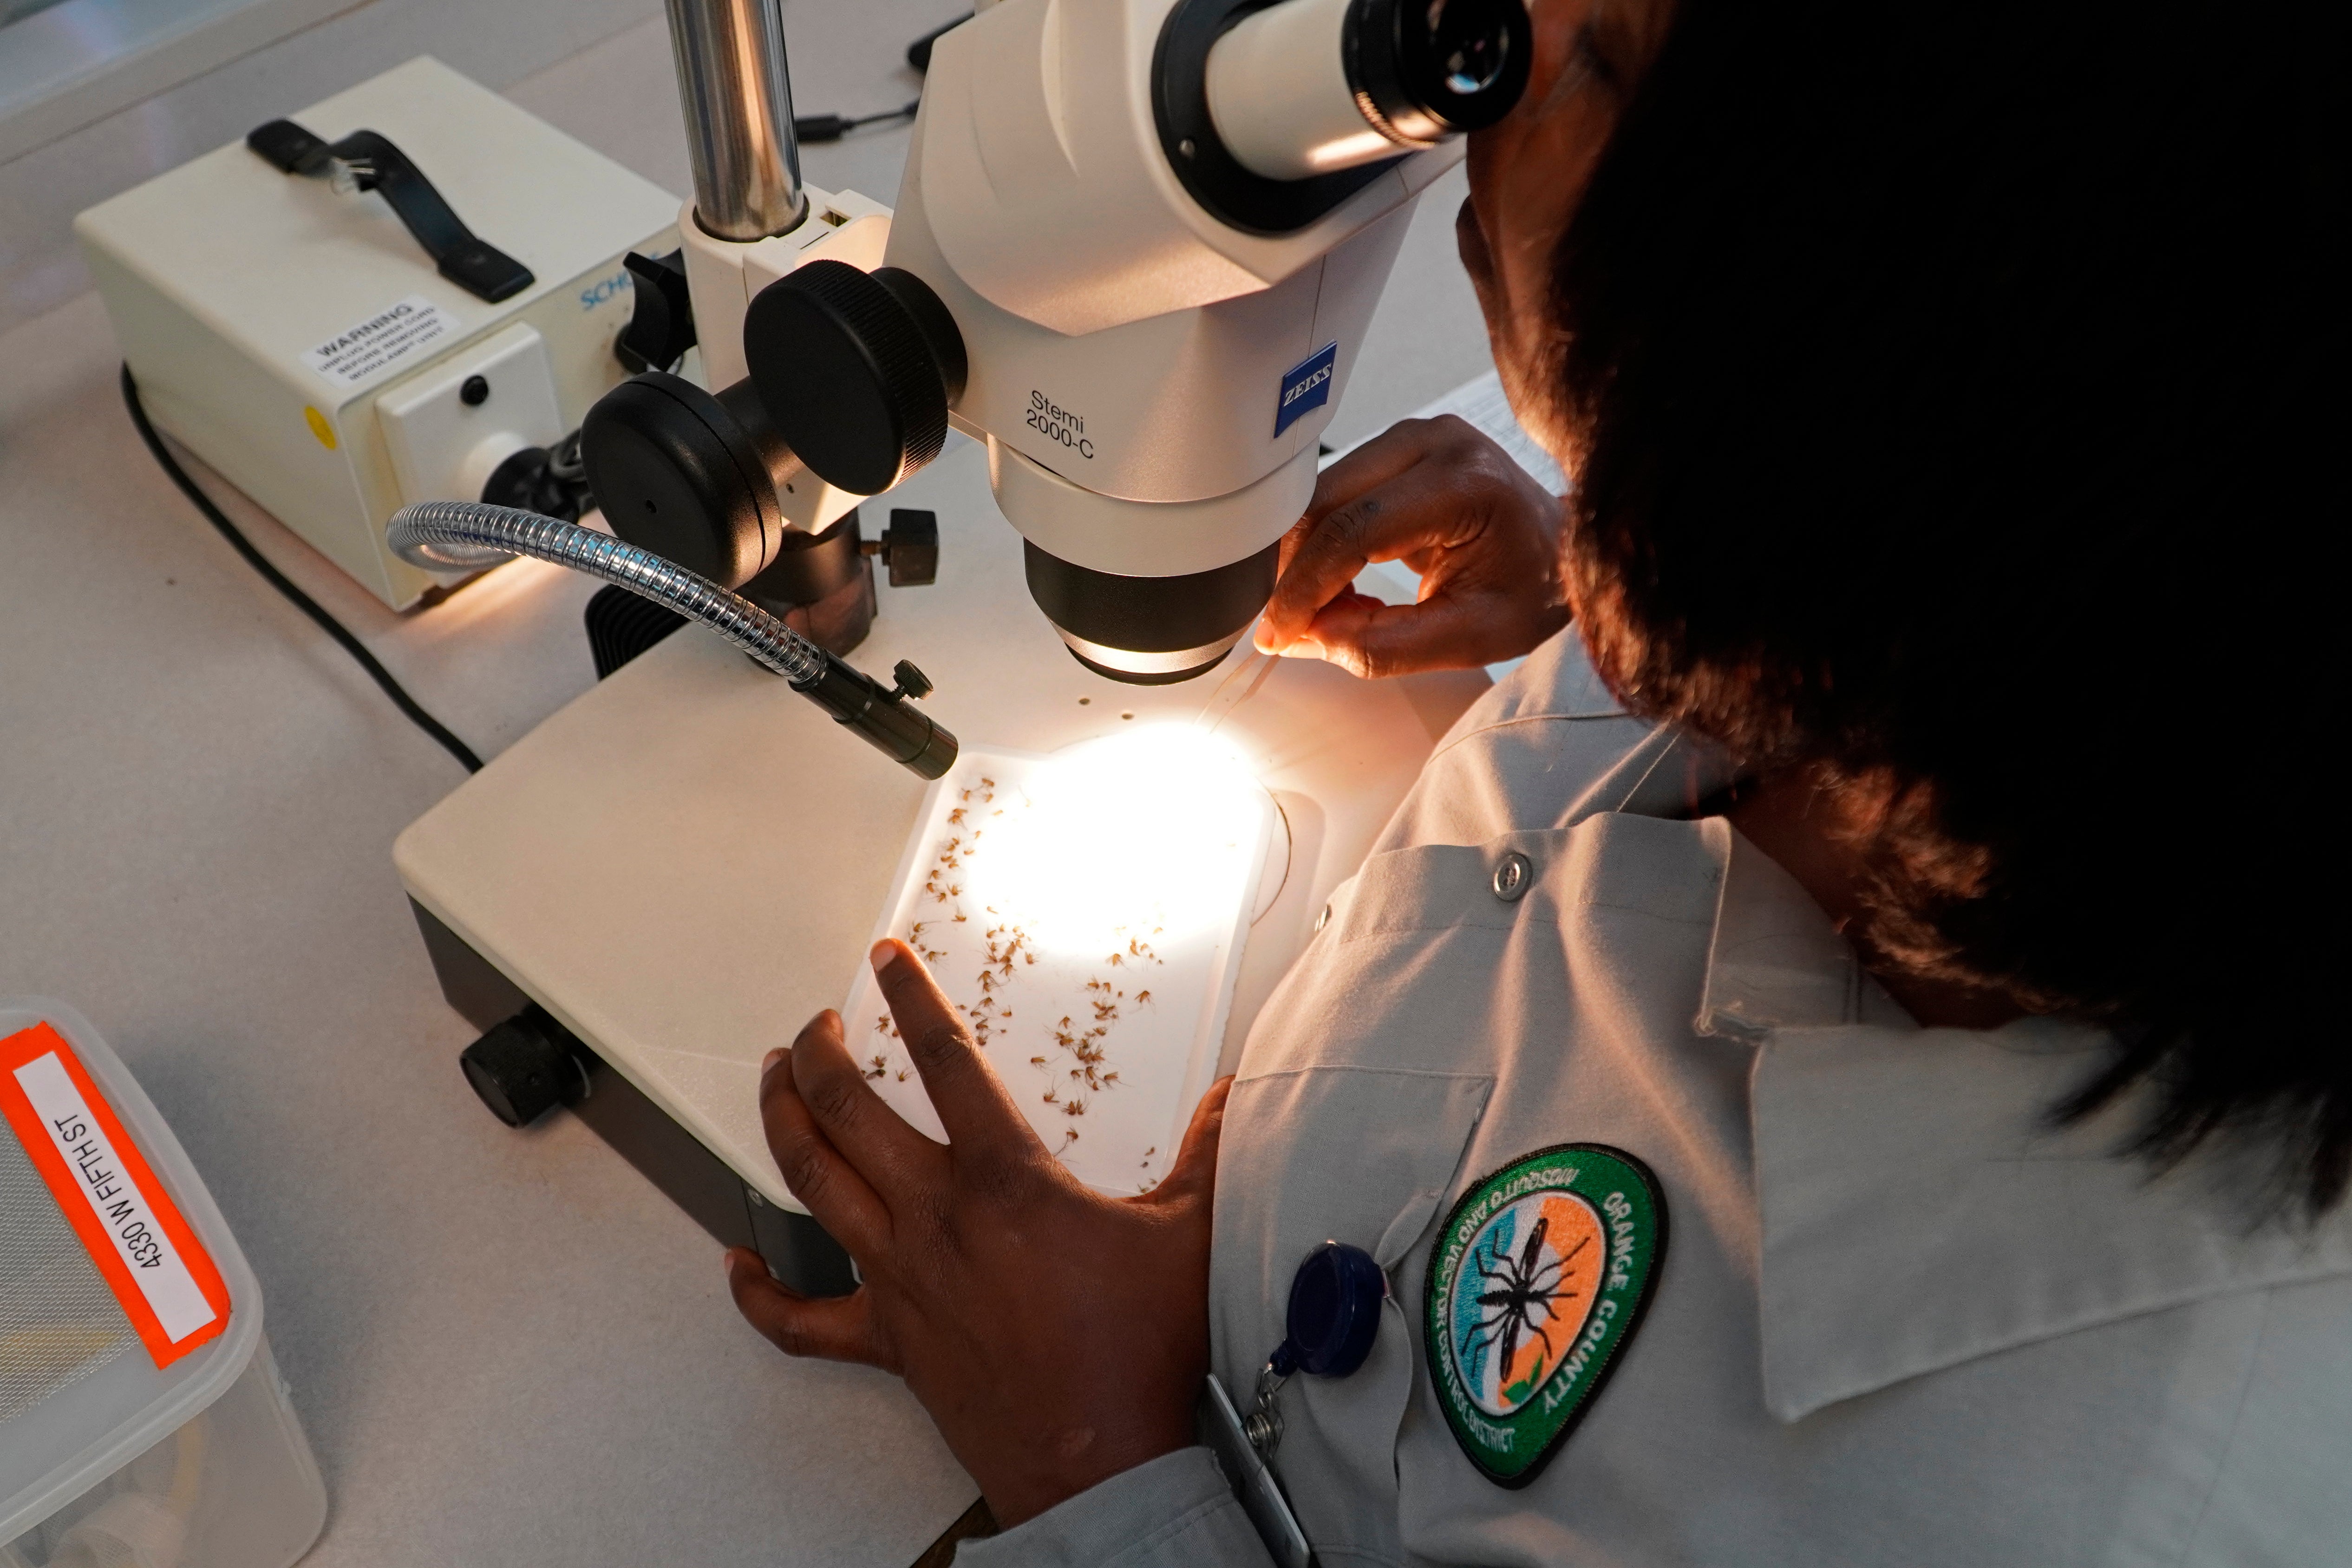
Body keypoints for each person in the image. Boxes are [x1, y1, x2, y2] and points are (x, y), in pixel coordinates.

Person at [722, 0, 2346, 1561]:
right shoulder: (2048, 619)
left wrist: (1102, 1469)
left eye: (1613, 61)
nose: (1505, 58)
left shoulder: (2074, 1503)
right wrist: (1633, 581)